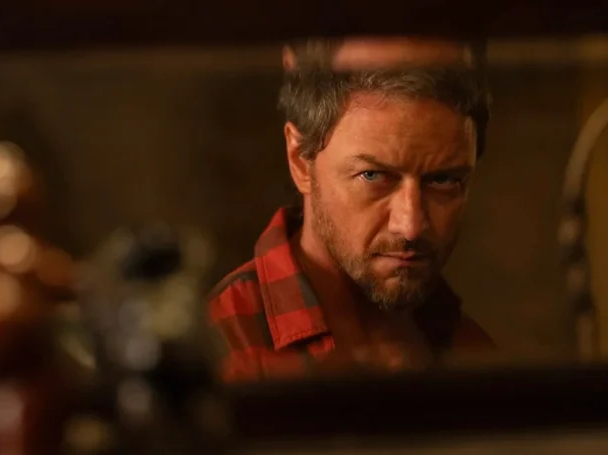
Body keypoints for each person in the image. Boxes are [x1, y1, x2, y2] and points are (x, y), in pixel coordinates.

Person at [207, 37, 496, 383]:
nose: (410, 225)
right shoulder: (224, 344)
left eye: (443, 180)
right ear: (300, 162)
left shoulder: (469, 349)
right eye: (373, 176)